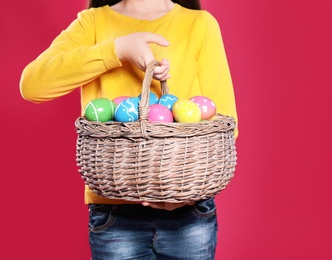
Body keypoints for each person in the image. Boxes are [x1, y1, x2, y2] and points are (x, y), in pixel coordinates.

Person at [20, 0, 238, 259]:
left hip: (189, 210)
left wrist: (183, 195)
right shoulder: (93, 23)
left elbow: (224, 125)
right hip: (116, 213)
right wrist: (116, 50)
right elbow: (32, 85)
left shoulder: (200, 24)